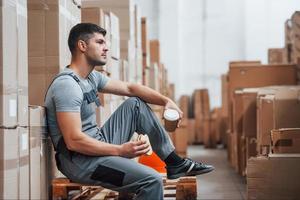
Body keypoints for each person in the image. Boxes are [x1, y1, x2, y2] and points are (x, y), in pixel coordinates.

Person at [45, 23, 214, 200]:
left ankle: (174, 163)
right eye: (100, 42)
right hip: (80, 162)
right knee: (152, 180)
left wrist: (166, 101)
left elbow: (131, 88)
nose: (106, 48)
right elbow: (73, 141)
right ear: (82, 46)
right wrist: (120, 150)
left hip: (96, 145)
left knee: (135, 105)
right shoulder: (67, 86)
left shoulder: (90, 78)